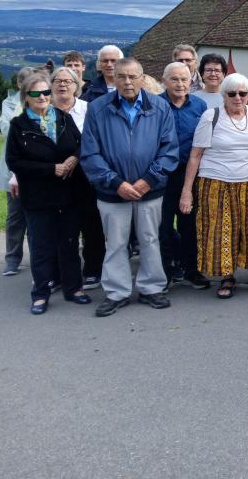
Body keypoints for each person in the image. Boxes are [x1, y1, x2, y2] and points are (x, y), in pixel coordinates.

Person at [81, 57, 179, 317]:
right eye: (121, 76)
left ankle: (151, 288)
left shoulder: (160, 107)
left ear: (142, 78)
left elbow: (169, 150)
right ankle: (117, 292)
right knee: (115, 243)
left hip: (150, 190)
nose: (127, 82)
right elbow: (90, 153)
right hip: (112, 191)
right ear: (113, 78)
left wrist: (148, 180)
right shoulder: (98, 108)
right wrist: (116, 182)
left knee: (150, 239)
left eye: (133, 76)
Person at [179, 73, 248, 298]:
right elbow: (195, 155)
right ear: (224, 95)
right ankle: (227, 277)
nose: (237, 98)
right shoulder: (211, 116)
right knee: (222, 230)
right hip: (217, 183)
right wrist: (187, 192)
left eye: (243, 93)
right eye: (232, 93)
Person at [6, 73, 90, 314]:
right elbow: (14, 161)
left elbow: (82, 143)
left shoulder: (63, 118)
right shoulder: (19, 125)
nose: (42, 97)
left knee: (69, 243)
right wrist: (51, 169)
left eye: (45, 92)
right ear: (26, 97)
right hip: (38, 196)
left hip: (68, 193)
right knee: (41, 246)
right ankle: (41, 293)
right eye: (36, 93)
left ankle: (74, 289)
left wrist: (74, 158)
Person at [157, 62, 210, 290]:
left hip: (192, 173)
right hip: (162, 174)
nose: (180, 84)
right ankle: (166, 271)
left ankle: (191, 270)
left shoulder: (200, 105)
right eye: (174, 79)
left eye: (184, 79)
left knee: (190, 225)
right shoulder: (155, 105)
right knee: (163, 226)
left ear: (191, 81)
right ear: (164, 81)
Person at [50, 66, 104, 289]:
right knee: (58, 228)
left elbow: (96, 139)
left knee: (91, 225)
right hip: (53, 177)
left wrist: (75, 158)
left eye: (67, 81)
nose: (62, 85)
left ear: (76, 86)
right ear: (51, 85)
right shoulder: (43, 110)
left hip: (86, 177)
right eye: (58, 81)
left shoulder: (89, 109)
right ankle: (58, 273)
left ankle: (92, 270)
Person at [0, 67, 34, 276]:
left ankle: (38, 257)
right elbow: (6, 129)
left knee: (36, 216)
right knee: (15, 216)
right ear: (20, 84)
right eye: (26, 83)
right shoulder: (9, 104)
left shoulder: (44, 102)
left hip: (37, 168)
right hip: (14, 169)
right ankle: (12, 259)